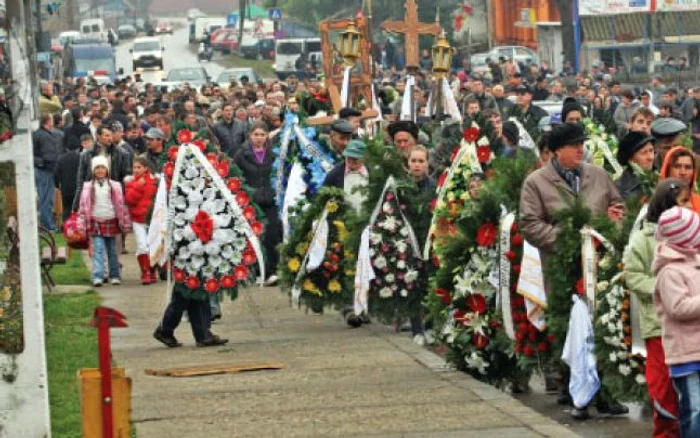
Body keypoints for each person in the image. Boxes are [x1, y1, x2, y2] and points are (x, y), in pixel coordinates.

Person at [520, 123, 627, 420]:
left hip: (600, 265)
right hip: (561, 266)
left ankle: (606, 393)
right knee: (570, 328)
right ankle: (575, 391)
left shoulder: (599, 175)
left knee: (604, 326)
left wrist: (612, 223)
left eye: (582, 144)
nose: (581, 149)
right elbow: (530, 224)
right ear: (556, 151)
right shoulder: (537, 182)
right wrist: (567, 238)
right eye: (574, 145)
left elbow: (619, 206)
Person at [625, 179, 686, 438]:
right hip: (657, 323)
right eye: (683, 202)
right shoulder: (643, 238)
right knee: (662, 385)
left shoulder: (690, 233)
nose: (688, 207)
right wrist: (664, 288)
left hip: (687, 324)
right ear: (666, 204)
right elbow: (633, 276)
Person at [653, 206, 700, 438]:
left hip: (698, 349)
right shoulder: (670, 271)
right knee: (694, 410)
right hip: (685, 355)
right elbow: (678, 308)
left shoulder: (693, 263)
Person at [234, 121, 281, 287]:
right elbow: (236, 175)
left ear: (267, 136)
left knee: (272, 235)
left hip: (271, 199)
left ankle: (271, 271)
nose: (259, 138)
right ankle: (255, 272)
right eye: (256, 135)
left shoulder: (274, 153)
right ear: (250, 136)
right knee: (253, 237)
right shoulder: (241, 154)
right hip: (251, 201)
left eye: (262, 134)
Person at [77, 156, 132, 287]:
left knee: (113, 251)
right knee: (98, 250)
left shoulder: (115, 186)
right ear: (93, 171)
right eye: (97, 168)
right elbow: (83, 206)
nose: (100, 171)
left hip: (111, 220)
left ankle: (114, 275)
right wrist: (82, 223)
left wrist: (125, 221)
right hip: (95, 221)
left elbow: (121, 204)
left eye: (102, 168)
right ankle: (98, 276)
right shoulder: (88, 187)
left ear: (107, 170)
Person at [407, 146, 436, 345]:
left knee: (430, 286)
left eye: (421, 161)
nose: (417, 165)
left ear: (427, 164)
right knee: (412, 287)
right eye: (413, 161)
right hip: (408, 244)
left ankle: (431, 326)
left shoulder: (434, 187)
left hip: (429, 243)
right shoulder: (401, 187)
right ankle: (416, 328)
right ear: (407, 163)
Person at [73, 126, 132, 212]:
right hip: (92, 194)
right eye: (106, 135)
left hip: (113, 195)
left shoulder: (123, 154)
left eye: (111, 135)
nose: (110, 138)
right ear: (98, 136)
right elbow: (81, 180)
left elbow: (126, 177)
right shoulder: (86, 155)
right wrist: (76, 204)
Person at [124, 156, 159, 285]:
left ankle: (152, 270)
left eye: (139, 167)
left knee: (153, 247)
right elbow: (129, 200)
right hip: (138, 220)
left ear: (146, 168)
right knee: (142, 246)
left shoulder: (155, 182)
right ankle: (145, 272)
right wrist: (138, 187)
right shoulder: (131, 183)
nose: (136, 170)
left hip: (152, 220)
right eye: (134, 167)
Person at [33, 113, 61, 231]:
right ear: (47, 122)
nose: (53, 121)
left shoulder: (39, 134)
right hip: (45, 171)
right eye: (51, 119)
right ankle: (48, 226)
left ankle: (46, 225)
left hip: (41, 169)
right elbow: (49, 156)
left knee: (45, 199)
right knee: (46, 200)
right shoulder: (45, 136)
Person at [614, 131, 656, 199]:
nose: (651, 157)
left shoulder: (661, 179)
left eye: (651, 150)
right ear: (631, 160)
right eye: (644, 153)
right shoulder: (618, 190)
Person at [659, 146, 700, 214]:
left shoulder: (698, 203)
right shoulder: (654, 202)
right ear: (667, 170)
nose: (682, 172)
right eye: (677, 166)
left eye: (688, 167)